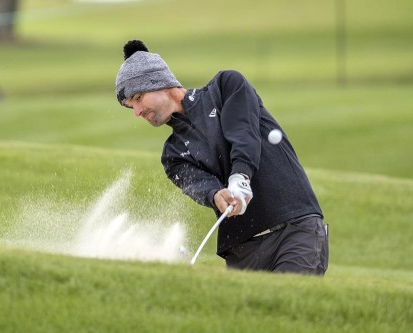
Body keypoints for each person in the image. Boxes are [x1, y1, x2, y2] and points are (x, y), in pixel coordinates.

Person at [115, 40, 328, 274]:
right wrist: (217, 194)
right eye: (130, 106)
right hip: (242, 250)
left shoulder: (226, 87)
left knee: (289, 302)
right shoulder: (173, 155)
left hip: (294, 229)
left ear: (158, 82)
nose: (137, 112)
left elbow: (243, 133)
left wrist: (240, 176)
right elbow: (201, 186)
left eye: (137, 98)